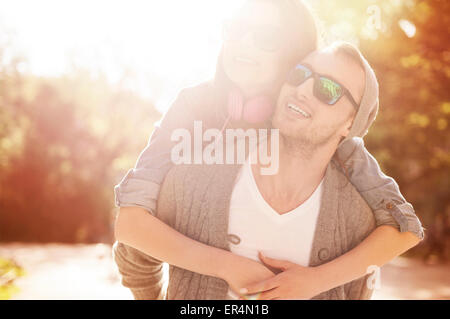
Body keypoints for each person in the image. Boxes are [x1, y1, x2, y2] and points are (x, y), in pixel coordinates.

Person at [113, 0, 424, 299]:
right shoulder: (193, 108)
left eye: (265, 37)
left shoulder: (336, 151)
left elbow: (404, 227)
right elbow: (131, 226)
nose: (244, 43)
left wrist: (316, 281)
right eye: (236, 28)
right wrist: (223, 266)